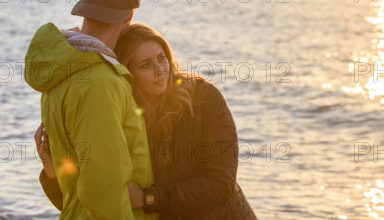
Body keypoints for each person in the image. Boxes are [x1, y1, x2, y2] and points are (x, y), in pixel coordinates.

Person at [35, 23, 258, 220]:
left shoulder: (204, 97)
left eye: (162, 58)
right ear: (127, 71)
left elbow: (221, 183)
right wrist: (52, 170)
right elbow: (85, 203)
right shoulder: (120, 113)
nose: (160, 70)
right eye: (146, 65)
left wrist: (147, 198)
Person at [25, 0, 158, 219]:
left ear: (84, 9)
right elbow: (104, 190)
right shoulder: (102, 81)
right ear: (129, 16)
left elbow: (73, 177)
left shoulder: (62, 68)